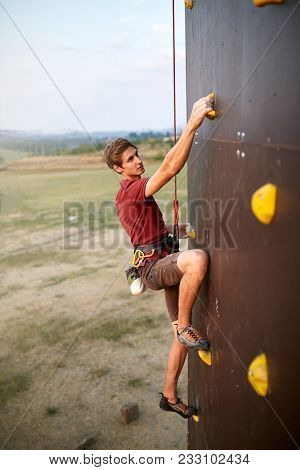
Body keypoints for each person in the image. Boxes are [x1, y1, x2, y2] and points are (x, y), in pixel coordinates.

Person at [104, 94, 213, 418]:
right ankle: (184, 326)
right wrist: (192, 125)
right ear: (118, 168)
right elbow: (170, 167)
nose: (138, 161)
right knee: (197, 260)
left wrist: (179, 229)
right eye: (130, 159)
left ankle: (168, 395)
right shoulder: (132, 190)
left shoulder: (130, 191)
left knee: (179, 336)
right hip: (154, 268)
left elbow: (150, 232)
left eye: (136, 155)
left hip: (158, 259)